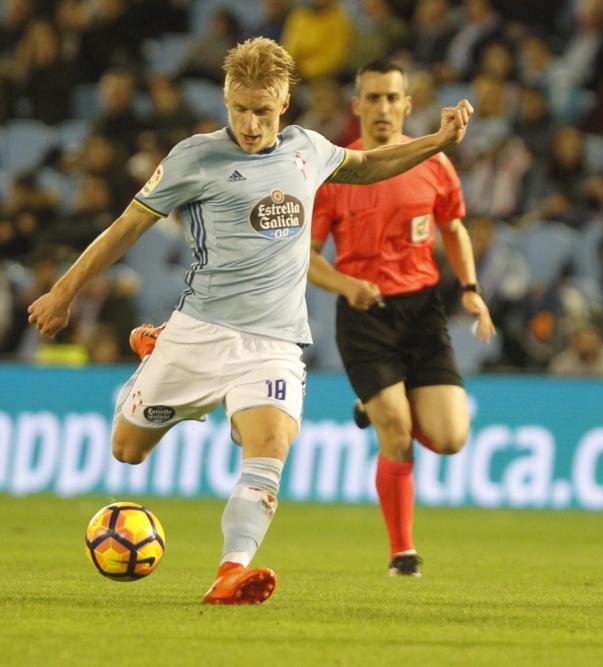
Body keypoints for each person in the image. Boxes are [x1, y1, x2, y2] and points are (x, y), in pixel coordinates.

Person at [27, 38, 474, 604]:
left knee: (269, 445)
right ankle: (156, 349)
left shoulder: (308, 150)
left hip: (274, 340)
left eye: (263, 110)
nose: (252, 123)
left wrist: (437, 142)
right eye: (241, 109)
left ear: (284, 103)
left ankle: (230, 571)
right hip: (199, 331)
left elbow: (367, 166)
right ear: (226, 99)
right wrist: (63, 292)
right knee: (127, 451)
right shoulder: (194, 157)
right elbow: (125, 228)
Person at [309, 60, 495, 577]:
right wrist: (347, 285)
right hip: (364, 313)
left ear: (408, 104)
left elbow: (454, 228)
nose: (383, 108)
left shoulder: (434, 164)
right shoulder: (338, 171)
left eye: (393, 98)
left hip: (421, 312)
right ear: (357, 105)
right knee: (397, 433)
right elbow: (306, 255)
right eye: (373, 98)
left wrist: (473, 290)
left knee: (452, 439)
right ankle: (402, 553)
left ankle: (378, 403)